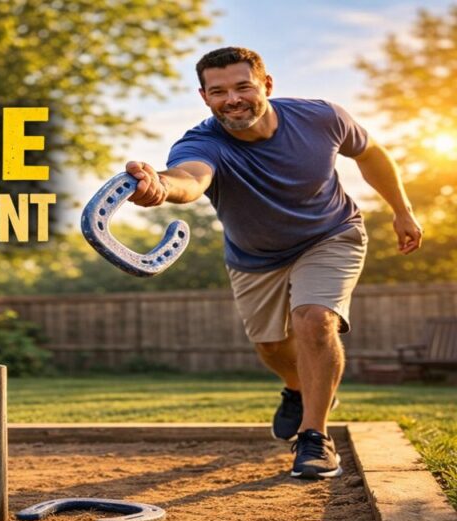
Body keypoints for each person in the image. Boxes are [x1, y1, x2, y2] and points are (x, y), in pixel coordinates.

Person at [125, 46, 422, 479]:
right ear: (204, 97)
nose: (232, 99)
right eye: (218, 91)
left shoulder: (322, 118)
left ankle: (315, 437)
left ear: (266, 85)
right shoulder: (202, 142)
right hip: (255, 256)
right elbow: (189, 178)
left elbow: (370, 153)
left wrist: (402, 209)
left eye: (243, 86)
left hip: (330, 234)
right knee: (269, 346)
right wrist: (159, 186)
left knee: (314, 319)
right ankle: (299, 388)